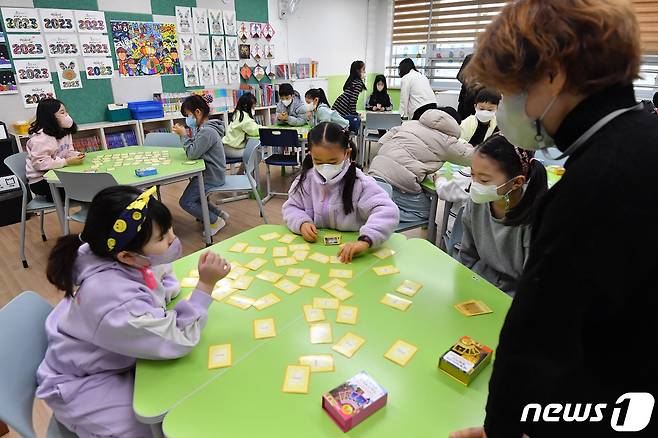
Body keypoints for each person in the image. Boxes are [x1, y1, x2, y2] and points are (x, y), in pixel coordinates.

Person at [450, 1, 658, 437]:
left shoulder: (592, 185)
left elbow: (535, 339)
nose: (505, 107)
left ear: (552, 75)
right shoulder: (642, 138)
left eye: (510, 91)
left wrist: (503, 426)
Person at [36, 186, 231, 438]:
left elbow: (158, 275)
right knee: (159, 425)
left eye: (169, 228)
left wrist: (162, 296)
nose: (172, 238)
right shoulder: (113, 300)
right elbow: (177, 340)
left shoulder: (114, 253)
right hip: (81, 384)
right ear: (127, 256)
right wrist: (205, 286)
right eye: (162, 238)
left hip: (111, 356)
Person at [282, 122, 399, 263]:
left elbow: (387, 211)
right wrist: (302, 223)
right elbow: (291, 207)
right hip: (315, 253)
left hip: (352, 252)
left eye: (332, 161)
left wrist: (365, 241)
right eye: (318, 161)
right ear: (310, 154)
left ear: (346, 153)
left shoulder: (360, 183)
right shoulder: (305, 180)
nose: (325, 167)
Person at [458, 134, 547, 296]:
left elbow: (534, 284)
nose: (475, 184)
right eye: (472, 174)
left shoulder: (536, 218)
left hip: (514, 295)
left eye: (484, 180)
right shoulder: (477, 202)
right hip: (478, 281)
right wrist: (462, 286)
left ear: (517, 182)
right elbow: (467, 254)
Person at [368, 108, 473, 223]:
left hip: (376, 168)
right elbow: (470, 157)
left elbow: (382, 140)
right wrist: (467, 145)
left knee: (385, 195)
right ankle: (382, 214)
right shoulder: (446, 141)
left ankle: (380, 205)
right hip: (400, 181)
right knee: (428, 212)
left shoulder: (410, 124)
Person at [172, 94, 228, 235]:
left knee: (185, 202)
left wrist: (183, 135)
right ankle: (219, 214)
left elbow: (192, 153)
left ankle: (215, 220)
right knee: (195, 197)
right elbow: (196, 148)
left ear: (197, 112)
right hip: (212, 173)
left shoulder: (207, 131)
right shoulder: (204, 129)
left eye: (188, 115)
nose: (187, 119)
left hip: (211, 176)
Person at [25, 98, 84, 202]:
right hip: (41, 181)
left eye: (66, 111)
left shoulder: (65, 132)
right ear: (50, 116)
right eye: (62, 112)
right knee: (82, 189)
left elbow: (67, 151)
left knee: (86, 184)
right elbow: (40, 164)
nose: (66, 115)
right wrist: (66, 162)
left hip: (58, 173)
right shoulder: (41, 139)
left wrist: (75, 155)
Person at [222, 93, 260, 159]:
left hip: (226, 147)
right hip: (233, 150)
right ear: (246, 106)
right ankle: (245, 170)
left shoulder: (237, 113)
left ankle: (244, 170)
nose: (254, 109)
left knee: (251, 154)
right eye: (253, 107)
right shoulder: (245, 118)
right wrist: (266, 128)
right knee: (256, 155)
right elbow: (255, 130)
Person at [332, 60, 367, 132]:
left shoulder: (352, 80)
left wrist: (354, 113)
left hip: (339, 104)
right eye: (363, 70)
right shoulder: (358, 83)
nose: (365, 72)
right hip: (343, 107)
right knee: (345, 127)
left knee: (338, 126)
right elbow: (353, 100)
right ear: (358, 71)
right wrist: (355, 114)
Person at [456, 54, 480, 121]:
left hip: (482, 100)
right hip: (466, 99)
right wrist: (473, 84)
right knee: (461, 123)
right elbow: (460, 76)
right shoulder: (470, 58)